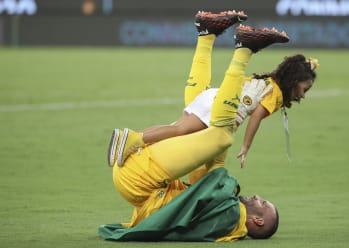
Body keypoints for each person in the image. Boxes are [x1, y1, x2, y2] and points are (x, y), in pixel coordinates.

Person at [99, 10, 289, 242]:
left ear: (257, 221)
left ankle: (244, 50)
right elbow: (210, 179)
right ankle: (207, 34)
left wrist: (239, 114)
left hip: (141, 179)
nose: (259, 196)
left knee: (222, 137)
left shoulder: (229, 216)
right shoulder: (220, 215)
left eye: (263, 203)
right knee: (202, 125)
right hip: (141, 179)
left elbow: (220, 182)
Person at [107, 11, 318, 169]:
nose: (303, 94)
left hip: (213, 96)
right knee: (181, 131)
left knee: (179, 129)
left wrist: (309, 66)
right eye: (304, 88)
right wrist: (246, 147)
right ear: (295, 80)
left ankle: (134, 141)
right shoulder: (276, 94)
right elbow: (256, 119)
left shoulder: (269, 80)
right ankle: (133, 139)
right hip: (220, 108)